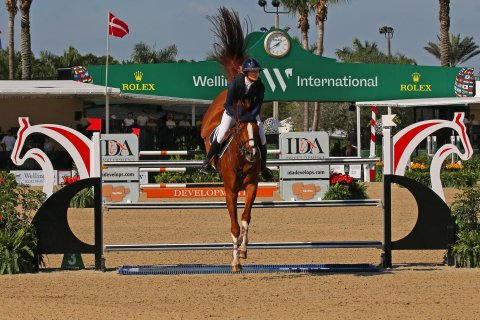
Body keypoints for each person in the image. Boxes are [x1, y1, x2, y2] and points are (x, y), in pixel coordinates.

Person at [199, 57, 273, 180]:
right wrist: (238, 117)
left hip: (251, 114)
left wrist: (250, 116)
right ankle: (207, 162)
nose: (256, 73)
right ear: (246, 72)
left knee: (262, 138)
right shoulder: (236, 83)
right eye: (253, 71)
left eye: (257, 71)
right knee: (221, 134)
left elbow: (258, 105)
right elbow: (227, 104)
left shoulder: (260, 86)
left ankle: (264, 168)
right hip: (232, 113)